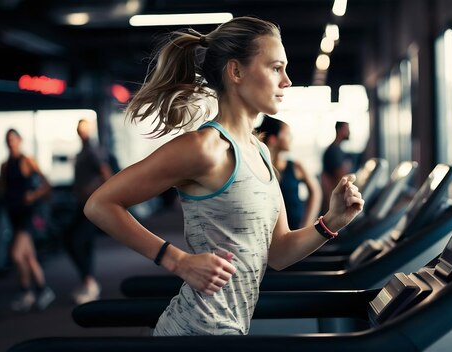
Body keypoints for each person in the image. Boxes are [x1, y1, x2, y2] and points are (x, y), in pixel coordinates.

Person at [84, 16, 364, 336]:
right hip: (195, 332)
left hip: (231, 332)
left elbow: (280, 252)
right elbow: (100, 204)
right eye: (275, 68)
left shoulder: (259, 152)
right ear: (236, 71)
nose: (286, 81)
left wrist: (332, 221)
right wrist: (176, 260)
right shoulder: (205, 148)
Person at [0, 128, 55, 312]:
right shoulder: (5, 165)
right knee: (29, 258)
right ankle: (43, 290)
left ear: (20, 140)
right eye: (8, 139)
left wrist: (34, 195)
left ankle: (26, 292)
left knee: (16, 255)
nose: (11, 142)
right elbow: (0, 189)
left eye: (13, 138)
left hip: (27, 215)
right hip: (13, 214)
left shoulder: (27, 160)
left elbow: (47, 185)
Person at [63, 119, 112, 305]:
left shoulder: (93, 150)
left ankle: (90, 283)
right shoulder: (83, 151)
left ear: (90, 131)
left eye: (84, 129)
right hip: (81, 205)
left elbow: (106, 175)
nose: (82, 132)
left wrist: (100, 195)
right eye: (79, 129)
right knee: (74, 240)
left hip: (91, 206)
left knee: (76, 241)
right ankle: (88, 281)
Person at [255, 115, 322, 229]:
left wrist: (307, 226)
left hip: (295, 228)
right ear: (273, 139)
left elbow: (315, 192)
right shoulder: (258, 166)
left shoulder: (295, 166)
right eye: (287, 134)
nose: (291, 138)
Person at [320, 121, 353, 214]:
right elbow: (342, 175)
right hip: (332, 197)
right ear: (339, 130)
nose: (349, 132)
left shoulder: (338, 150)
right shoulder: (333, 151)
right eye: (346, 129)